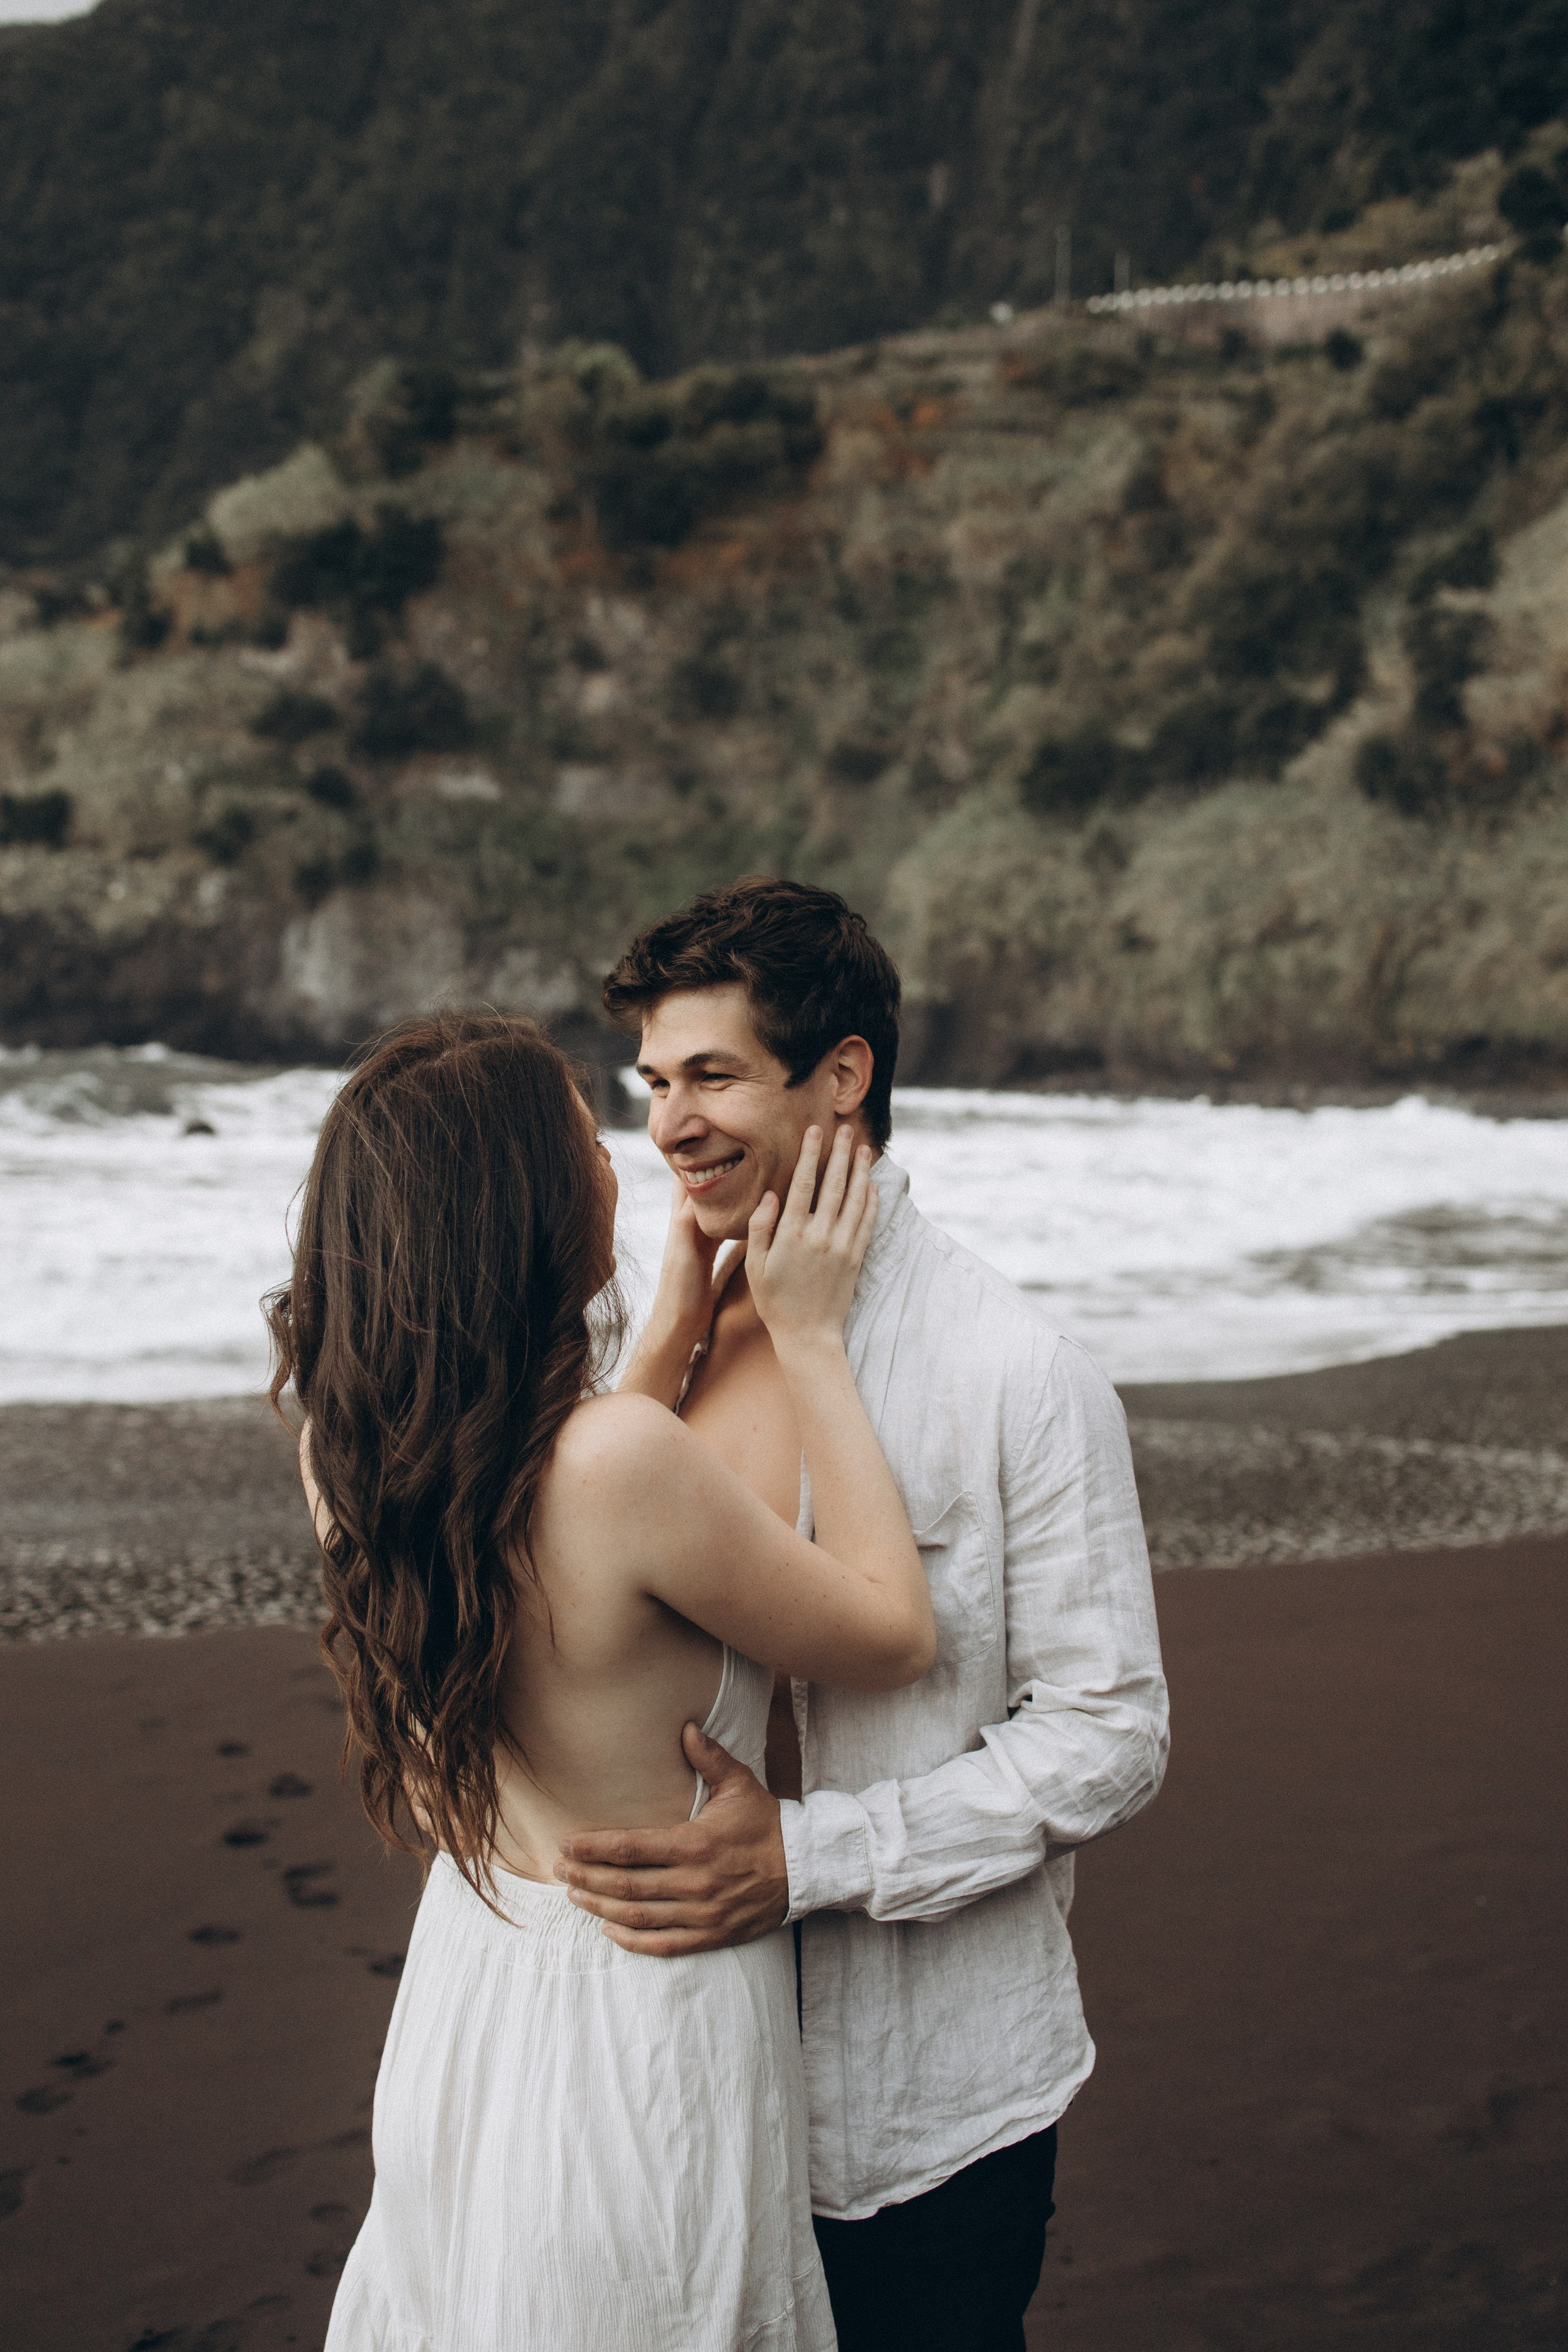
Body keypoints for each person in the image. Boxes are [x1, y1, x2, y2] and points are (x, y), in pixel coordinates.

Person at [556, 878, 1170, 2351]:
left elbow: (1111, 1736)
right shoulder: (632, 1333)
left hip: (922, 2111)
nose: (669, 1124)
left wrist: (813, 1857)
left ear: (843, 1075)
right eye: (652, 1082)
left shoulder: (1014, 1369)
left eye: (712, 1075)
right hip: (665, 2079)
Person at [265, 1010, 937, 2352]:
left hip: (474, 1999)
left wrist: (669, 1332)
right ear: (519, 1209)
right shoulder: (622, 1465)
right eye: (586, 1144)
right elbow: (888, 1630)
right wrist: (802, 1339)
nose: (622, 1165)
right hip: (638, 2036)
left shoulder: (348, 1457)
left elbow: (546, 1517)